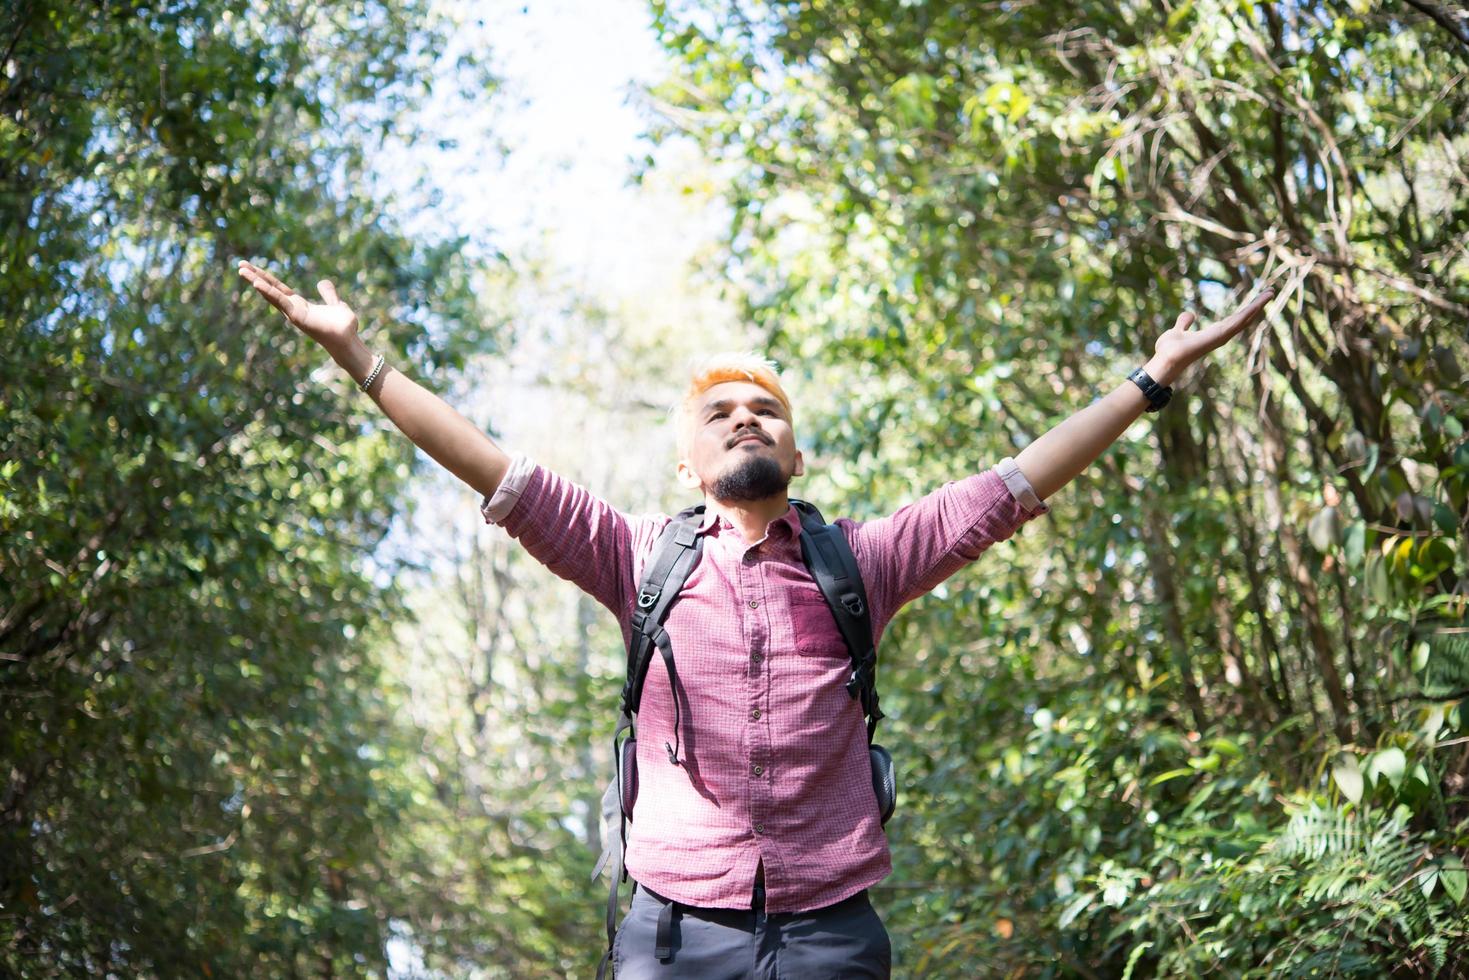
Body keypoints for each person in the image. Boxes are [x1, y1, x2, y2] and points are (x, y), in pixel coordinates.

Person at [237, 259, 1273, 977]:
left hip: (831, 934)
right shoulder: (636, 556)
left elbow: (1005, 488)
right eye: (720, 413)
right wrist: (361, 360)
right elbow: (489, 464)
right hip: (672, 934)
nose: (746, 417)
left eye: (766, 409)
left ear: (797, 453)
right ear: (686, 464)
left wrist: (1150, 380)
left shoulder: (859, 560)